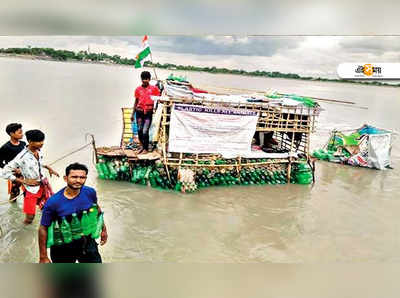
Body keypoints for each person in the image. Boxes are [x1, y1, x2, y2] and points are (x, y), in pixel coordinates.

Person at [38, 163, 107, 263]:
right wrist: (43, 256)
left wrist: (103, 229)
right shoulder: (53, 202)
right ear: (65, 178)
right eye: (74, 177)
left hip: (87, 242)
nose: (78, 180)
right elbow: (43, 228)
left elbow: (96, 210)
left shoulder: (90, 192)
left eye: (82, 177)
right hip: (62, 246)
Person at [2, 129, 59, 224]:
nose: (42, 143)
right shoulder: (21, 157)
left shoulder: (38, 151)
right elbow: (4, 172)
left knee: (50, 207)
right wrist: (24, 181)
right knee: (30, 218)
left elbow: (38, 162)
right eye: (38, 141)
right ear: (30, 141)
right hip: (32, 189)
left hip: (43, 184)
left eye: (42, 140)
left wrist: (48, 167)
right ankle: (22, 234)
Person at [131, 71, 160, 154]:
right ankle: (142, 146)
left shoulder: (154, 89)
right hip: (139, 112)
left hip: (148, 113)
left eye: (146, 79)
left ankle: (146, 149)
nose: (145, 80)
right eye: (143, 79)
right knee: (139, 130)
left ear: (149, 79)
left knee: (145, 131)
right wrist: (132, 114)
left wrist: (156, 109)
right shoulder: (138, 89)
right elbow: (136, 101)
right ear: (141, 79)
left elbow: (158, 100)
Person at [0, 123, 26, 201]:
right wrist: (12, 170)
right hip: (15, 174)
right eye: (19, 132)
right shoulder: (6, 147)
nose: (22, 134)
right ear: (11, 134)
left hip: (25, 172)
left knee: (29, 192)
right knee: (15, 193)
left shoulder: (23, 144)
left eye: (22, 132)